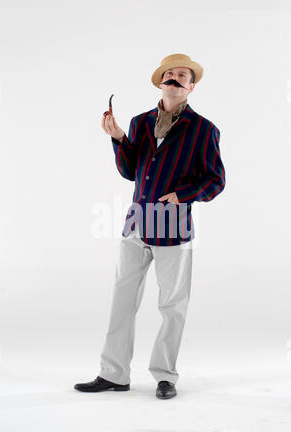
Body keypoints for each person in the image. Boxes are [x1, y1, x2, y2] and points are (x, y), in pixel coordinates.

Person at [74, 53, 226, 399]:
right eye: (169, 74)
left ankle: (165, 376)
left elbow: (216, 180)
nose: (174, 78)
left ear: (191, 86)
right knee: (121, 300)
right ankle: (113, 374)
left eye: (182, 75)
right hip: (136, 225)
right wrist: (117, 137)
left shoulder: (204, 130)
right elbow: (130, 170)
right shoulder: (141, 122)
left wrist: (183, 194)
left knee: (172, 305)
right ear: (161, 82)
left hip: (173, 229)